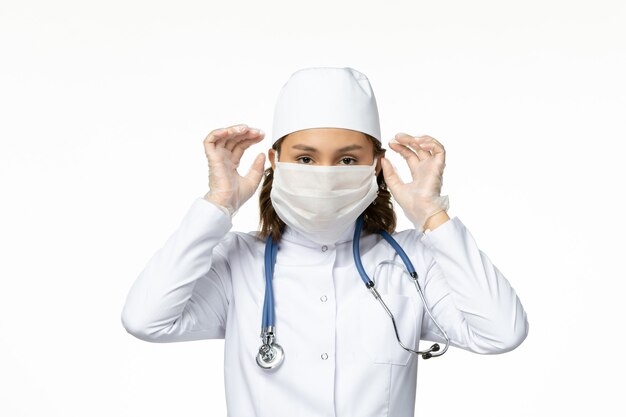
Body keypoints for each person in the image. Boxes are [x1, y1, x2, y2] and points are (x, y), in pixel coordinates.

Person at [121, 66, 529, 417]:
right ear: (275, 163)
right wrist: (219, 204)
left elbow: (501, 332)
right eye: (305, 158)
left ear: (378, 167)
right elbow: (146, 319)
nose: (327, 173)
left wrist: (430, 214)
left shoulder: (411, 262)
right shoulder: (237, 263)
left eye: (348, 159)